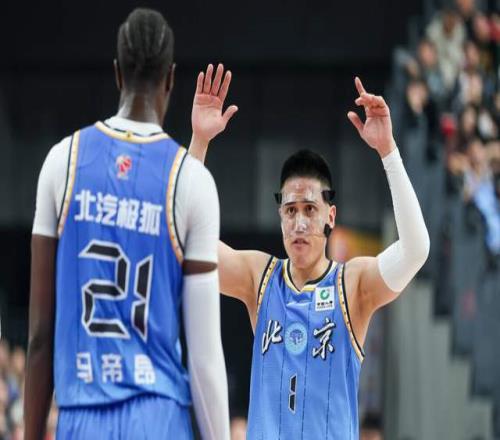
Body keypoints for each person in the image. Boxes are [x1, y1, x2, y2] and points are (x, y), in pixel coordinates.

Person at [188, 64, 430, 439]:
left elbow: (416, 250)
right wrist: (199, 141)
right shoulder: (259, 277)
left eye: (310, 209)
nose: (299, 223)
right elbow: (185, 242)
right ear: (280, 217)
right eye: (290, 211)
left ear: (330, 216)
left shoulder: (353, 285)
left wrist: (388, 151)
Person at [25, 8, 230, 440]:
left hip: (81, 412)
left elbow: (41, 336)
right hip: (159, 417)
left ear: (117, 73)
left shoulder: (62, 161)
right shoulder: (191, 180)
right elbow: (205, 357)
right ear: (170, 79)